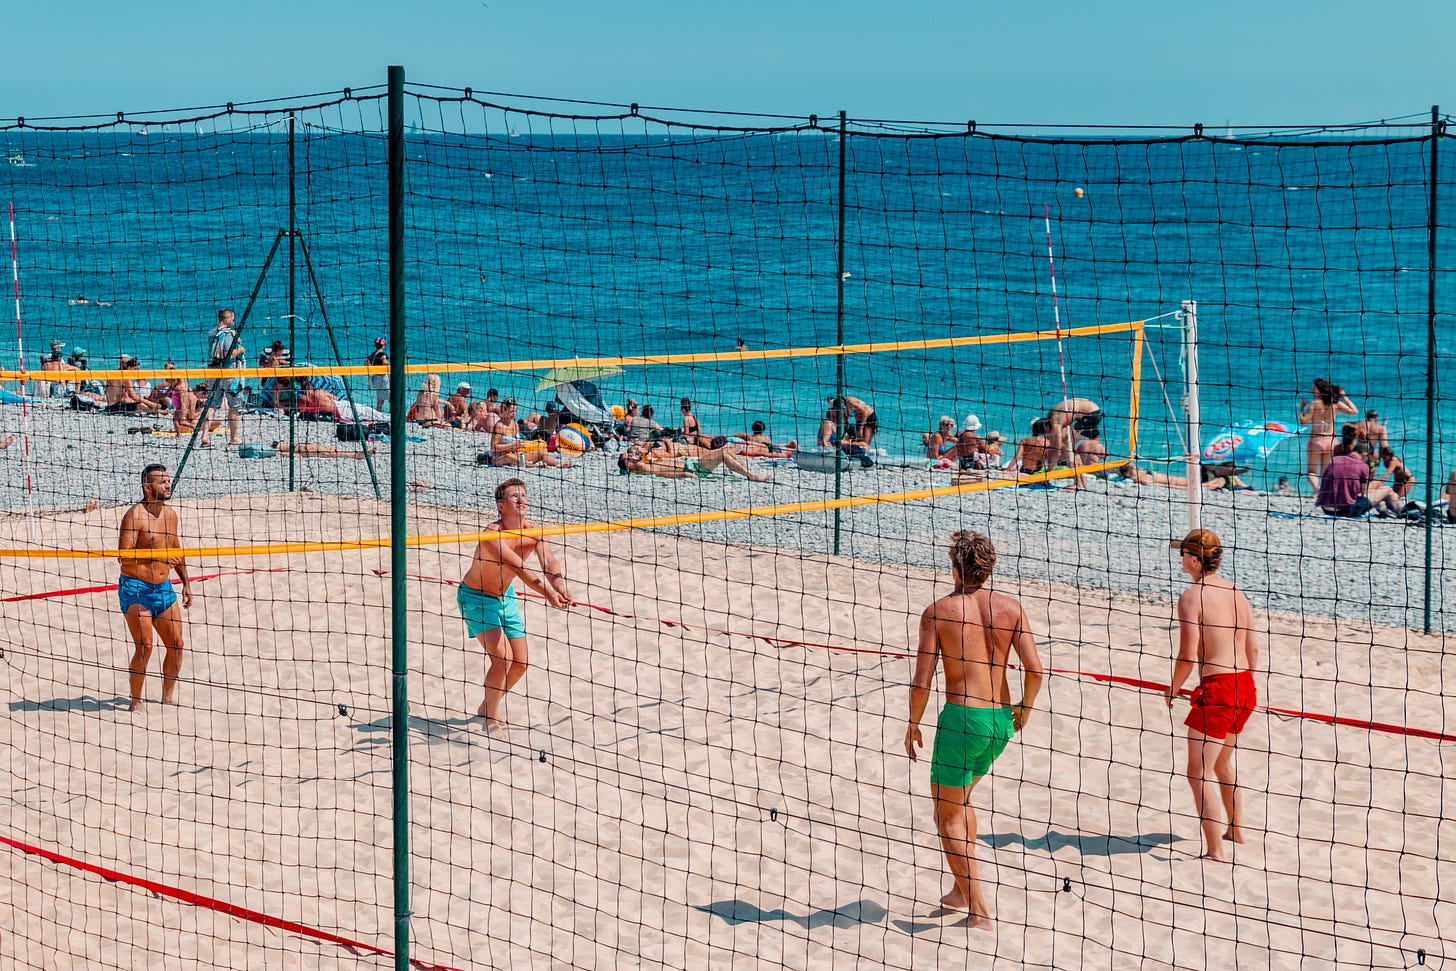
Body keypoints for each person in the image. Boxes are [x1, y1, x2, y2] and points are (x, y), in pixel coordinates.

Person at [906, 530, 1043, 928]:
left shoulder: (938, 612)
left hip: (962, 721)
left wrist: (912, 723)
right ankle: (960, 891)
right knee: (961, 802)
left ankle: (979, 910)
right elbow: (1036, 671)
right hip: (1000, 722)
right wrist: (1025, 709)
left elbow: (922, 681)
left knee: (946, 816)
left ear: (953, 568)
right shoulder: (1011, 608)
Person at [1165, 528, 1258, 861]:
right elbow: (1253, 647)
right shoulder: (1236, 592)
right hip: (1245, 685)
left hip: (1219, 689)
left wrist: (1174, 687)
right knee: (1221, 764)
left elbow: (1187, 656)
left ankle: (1215, 850)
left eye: (1182, 555)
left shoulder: (1192, 597)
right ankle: (1235, 829)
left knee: (1197, 772)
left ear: (1193, 559)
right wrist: (1244, 682)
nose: (1180, 559)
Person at [458, 478, 571, 727]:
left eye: (523, 496)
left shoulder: (535, 532)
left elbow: (549, 563)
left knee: (521, 663)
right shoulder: (491, 534)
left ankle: (488, 704)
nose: (521, 500)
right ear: (501, 505)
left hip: (505, 597)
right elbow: (519, 568)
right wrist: (548, 594)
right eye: (514, 496)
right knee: (503, 659)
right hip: (476, 598)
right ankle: (490, 715)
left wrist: (560, 586)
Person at [118, 464, 192, 711]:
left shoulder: (170, 515)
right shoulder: (134, 515)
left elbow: (176, 550)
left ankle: (167, 697)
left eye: (168, 481)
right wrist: (159, 557)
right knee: (146, 646)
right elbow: (124, 557)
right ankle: (135, 701)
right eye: (162, 482)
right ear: (147, 487)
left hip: (163, 588)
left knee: (177, 644)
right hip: (136, 588)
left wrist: (186, 583)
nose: (168, 485)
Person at [1297, 378, 1358, 490]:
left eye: (1314, 389)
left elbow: (1303, 421)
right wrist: (1344, 396)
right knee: (1326, 472)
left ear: (1320, 390)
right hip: (1331, 442)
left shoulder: (1314, 404)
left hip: (1316, 441)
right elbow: (1354, 411)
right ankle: (1325, 491)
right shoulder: (1335, 404)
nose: (1312, 391)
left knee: (1312, 472)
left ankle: (1317, 489)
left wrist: (1301, 409)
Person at [1316, 440, 1400, 517]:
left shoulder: (1334, 460)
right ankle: (1399, 513)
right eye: (1368, 458)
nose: (1367, 460)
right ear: (1365, 455)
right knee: (1387, 490)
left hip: (1326, 509)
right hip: (1347, 511)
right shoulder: (1363, 467)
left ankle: (1388, 511)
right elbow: (1363, 493)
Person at [618, 440, 772, 481]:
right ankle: (751, 475)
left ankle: (736, 467)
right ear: (630, 464)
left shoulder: (644, 462)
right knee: (725, 452)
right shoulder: (643, 466)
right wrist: (686, 474)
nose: (631, 454)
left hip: (692, 463)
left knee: (727, 449)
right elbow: (664, 472)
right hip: (693, 469)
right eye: (629, 457)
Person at [201, 308, 246, 445]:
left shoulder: (211, 333)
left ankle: (205, 435)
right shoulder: (228, 334)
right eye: (232, 318)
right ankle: (234, 438)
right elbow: (227, 355)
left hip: (213, 372)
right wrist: (240, 349)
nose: (233, 321)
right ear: (227, 319)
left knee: (212, 405)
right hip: (229, 374)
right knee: (234, 406)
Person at [490, 398, 572, 468]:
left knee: (541, 451)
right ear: (504, 409)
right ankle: (530, 465)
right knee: (508, 456)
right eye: (511, 411)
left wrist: (522, 444)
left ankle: (557, 465)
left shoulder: (514, 424)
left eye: (515, 411)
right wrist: (512, 445)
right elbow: (493, 449)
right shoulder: (499, 426)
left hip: (516, 454)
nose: (514, 414)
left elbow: (518, 444)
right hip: (499, 457)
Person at [1046, 397, 1102, 466]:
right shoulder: (1055, 414)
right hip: (1094, 411)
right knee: (1069, 444)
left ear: (1046, 428)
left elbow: (1057, 451)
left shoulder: (1056, 423)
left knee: (1067, 446)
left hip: (1090, 414)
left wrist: (1050, 468)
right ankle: (1075, 464)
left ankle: (1073, 465)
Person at [272, 441, 376, 459]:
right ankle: (359, 455)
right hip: (312, 451)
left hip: (313, 448)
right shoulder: (281, 451)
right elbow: (294, 455)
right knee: (337, 453)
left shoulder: (285, 445)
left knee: (336, 451)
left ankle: (359, 454)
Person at [366, 337, 389, 411]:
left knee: (380, 398)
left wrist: (373, 369)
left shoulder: (373, 354)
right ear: (383, 345)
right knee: (392, 398)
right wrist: (386, 365)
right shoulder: (383, 354)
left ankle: (378, 413)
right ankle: (393, 415)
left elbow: (365, 363)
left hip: (376, 378)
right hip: (383, 378)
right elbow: (385, 363)